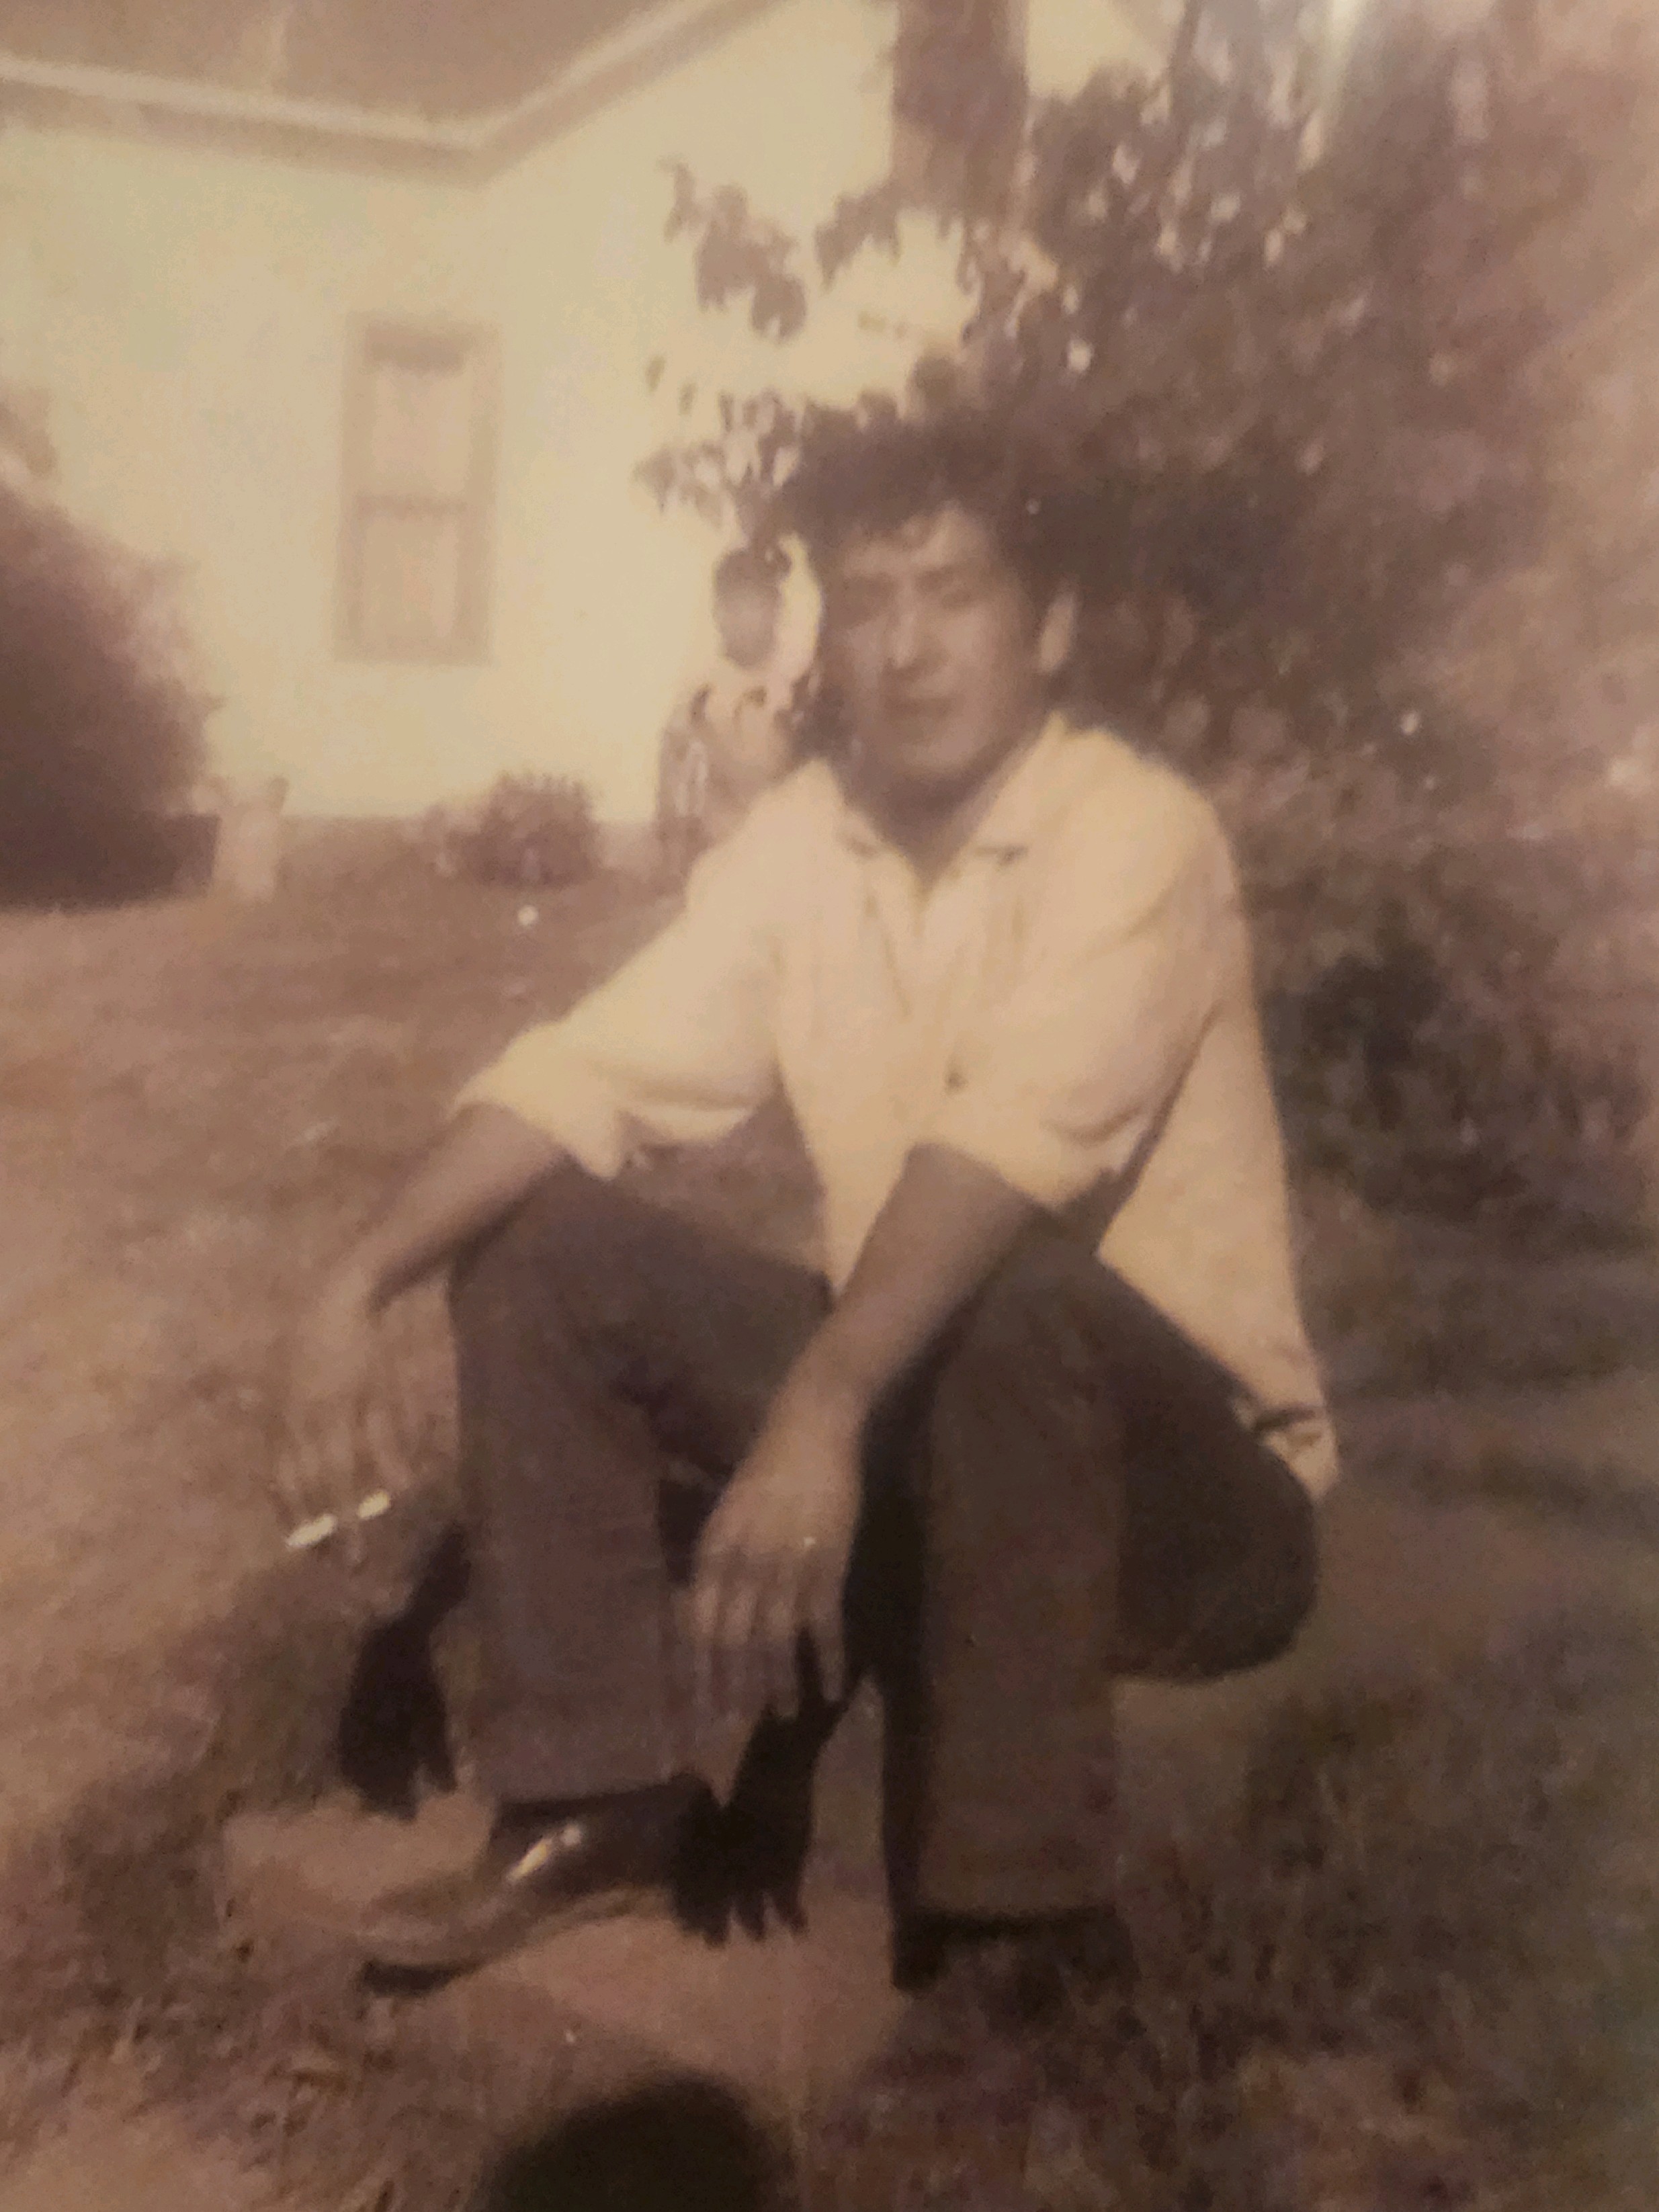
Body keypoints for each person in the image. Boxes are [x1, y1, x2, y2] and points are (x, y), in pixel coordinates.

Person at [280, 407, 1334, 1992]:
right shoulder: (804, 838)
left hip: (1188, 1508)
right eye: (865, 604)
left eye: (953, 593)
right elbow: (590, 1069)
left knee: (1014, 1282)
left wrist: (821, 1407)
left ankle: (1009, 1920)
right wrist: (353, 1282)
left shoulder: (1135, 835)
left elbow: (1003, 1151)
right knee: (542, 1243)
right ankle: (593, 1795)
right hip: (935, 1421)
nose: (904, 649)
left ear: (1048, 626)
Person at [654, 544, 800, 886]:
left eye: (758, 605)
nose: (747, 620)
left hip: (792, 857)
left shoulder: (796, 686)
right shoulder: (701, 693)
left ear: (777, 609)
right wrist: (673, 852)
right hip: (724, 858)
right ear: (719, 614)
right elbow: (671, 775)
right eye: (735, 607)